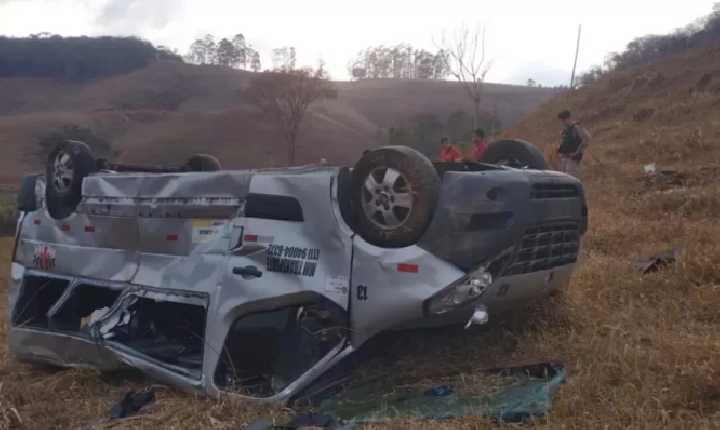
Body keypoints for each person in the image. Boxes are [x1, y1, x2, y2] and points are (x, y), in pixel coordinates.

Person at [556, 110, 591, 178]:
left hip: (572, 160)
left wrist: (577, 152)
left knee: (570, 180)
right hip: (565, 159)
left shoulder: (576, 128)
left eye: (564, 119)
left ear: (569, 118)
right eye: (562, 120)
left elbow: (586, 139)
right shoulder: (565, 130)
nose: (563, 121)